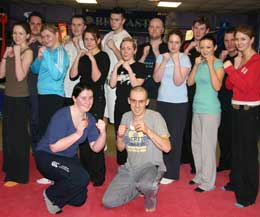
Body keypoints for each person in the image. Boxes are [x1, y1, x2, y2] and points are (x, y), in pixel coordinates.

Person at [35, 82, 106, 214]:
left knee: (80, 199)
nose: (88, 102)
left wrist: (103, 133)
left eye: (90, 98)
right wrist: (78, 133)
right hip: (47, 155)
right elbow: (55, 147)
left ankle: (59, 183)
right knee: (82, 177)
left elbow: (96, 148)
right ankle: (51, 195)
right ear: (74, 98)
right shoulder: (62, 115)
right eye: (83, 98)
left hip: (68, 157)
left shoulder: (89, 119)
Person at [102, 86, 171, 212]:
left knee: (147, 185)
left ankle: (149, 194)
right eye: (134, 101)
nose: (137, 106)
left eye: (141, 101)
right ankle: (138, 189)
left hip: (151, 166)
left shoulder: (155, 117)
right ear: (129, 100)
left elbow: (167, 148)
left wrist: (148, 131)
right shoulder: (126, 117)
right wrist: (120, 136)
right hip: (130, 168)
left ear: (147, 102)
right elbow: (120, 147)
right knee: (108, 202)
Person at [223, 25, 260, 208]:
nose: (238, 43)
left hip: (249, 113)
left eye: (243, 39)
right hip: (236, 110)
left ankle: (248, 195)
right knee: (236, 152)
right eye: (237, 39)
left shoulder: (256, 61)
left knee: (248, 155)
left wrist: (230, 68)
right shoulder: (240, 59)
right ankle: (236, 183)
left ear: (252, 40)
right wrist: (235, 67)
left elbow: (245, 87)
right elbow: (230, 86)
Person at [70, 25, 110, 186]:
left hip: (96, 100)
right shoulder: (82, 55)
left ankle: (98, 175)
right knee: (82, 137)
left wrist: (92, 58)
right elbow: (73, 76)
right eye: (86, 39)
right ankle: (85, 173)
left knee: (95, 136)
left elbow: (96, 79)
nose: (89, 42)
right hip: (81, 100)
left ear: (98, 40)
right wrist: (78, 56)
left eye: (92, 39)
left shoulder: (103, 56)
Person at [187, 34, 224, 192]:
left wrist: (210, 65)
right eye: (202, 47)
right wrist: (196, 65)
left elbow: (217, 87)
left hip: (211, 110)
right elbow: (189, 82)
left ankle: (209, 182)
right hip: (197, 108)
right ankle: (200, 175)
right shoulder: (199, 62)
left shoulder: (218, 63)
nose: (205, 50)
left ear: (215, 48)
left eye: (208, 47)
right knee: (196, 144)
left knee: (207, 147)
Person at [153, 29, 191, 184]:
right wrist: (163, 61)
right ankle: (161, 168)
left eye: (177, 42)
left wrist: (175, 61)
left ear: (181, 43)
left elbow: (178, 81)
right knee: (162, 135)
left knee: (174, 138)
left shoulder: (185, 59)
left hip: (178, 104)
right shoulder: (162, 57)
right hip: (162, 101)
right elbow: (156, 78)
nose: (173, 45)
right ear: (167, 42)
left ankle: (172, 173)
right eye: (171, 42)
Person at [0, 22, 33, 187]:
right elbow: (1, 74)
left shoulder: (27, 53)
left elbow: (20, 77)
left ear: (27, 35)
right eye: (14, 33)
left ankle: (19, 175)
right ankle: (9, 167)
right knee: (7, 136)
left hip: (21, 99)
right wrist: (6, 55)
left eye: (20, 33)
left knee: (19, 138)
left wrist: (18, 53)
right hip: (8, 97)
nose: (17, 36)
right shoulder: (12, 50)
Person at [110, 37, 146, 165]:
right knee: (119, 134)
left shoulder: (140, 67)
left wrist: (129, 70)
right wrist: (116, 67)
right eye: (123, 48)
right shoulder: (119, 66)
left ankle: (135, 163)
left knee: (134, 136)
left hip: (134, 108)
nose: (125, 51)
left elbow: (137, 86)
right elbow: (112, 84)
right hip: (119, 105)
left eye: (129, 48)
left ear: (134, 50)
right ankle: (122, 163)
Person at [181, 17, 210, 173]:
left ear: (207, 30)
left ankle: (196, 162)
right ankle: (185, 156)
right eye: (196, 28)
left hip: (203, 93)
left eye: (201, 28)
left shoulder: (209, 47)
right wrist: (187, 49)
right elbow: (179, 63)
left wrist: (203, 52)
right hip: (186, 91)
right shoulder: (187, 45)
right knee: (186, 126)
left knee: (198, 130)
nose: (198, 31)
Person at [31, 24, 69, 140]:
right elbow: (34, 70)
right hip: (42, 95)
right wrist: (39, 58)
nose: (45, 40)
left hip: (54, 96)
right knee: (43, 130)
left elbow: (57, 75)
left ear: (56, 35)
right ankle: (45, 156)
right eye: (43, 37)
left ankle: (53, 157)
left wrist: (46, 55)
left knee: (51, 131)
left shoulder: (61, 52)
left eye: (48, 36)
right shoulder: (46, 52)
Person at [102, 7, 131, 125]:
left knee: (115, 119)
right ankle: (103, 144)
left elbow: (126, 62)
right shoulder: (107, 36)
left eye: (117, 20)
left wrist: (114, 48)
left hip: (117, 83)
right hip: (105, 81)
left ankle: (117, 143)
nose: (113, 22)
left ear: (123, 21)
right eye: (111, 19)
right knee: (103, 114)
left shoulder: (126, 37)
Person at [136, 17, 168, 110]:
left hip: (161, 94)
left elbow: (169, 70)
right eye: (151, 27)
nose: (154, 29)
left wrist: (156, 51)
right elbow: (136, 69)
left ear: (162, 30)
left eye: (157, 27)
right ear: (148, 29)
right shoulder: (141, 48)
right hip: (142, 94)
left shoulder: (168, 48)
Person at [217, 28, 238, 172]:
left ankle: (234, 165)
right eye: (226, 40)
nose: (229, 44)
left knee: (234, 136)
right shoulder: (222, 58)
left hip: (235, 103)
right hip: (220, 103)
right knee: (222, 134)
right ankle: (224, 163)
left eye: (232, 40)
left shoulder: (240, 59)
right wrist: (221, 61)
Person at [27, 11, 44, 153]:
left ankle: (36, 147)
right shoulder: (21, 41)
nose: (35, 27)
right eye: (32, 23)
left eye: (38, 24)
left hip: (37, 87)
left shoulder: (46, 43)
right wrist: (25, 44)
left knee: (36, 118)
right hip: (21, 86)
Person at [64, 15, 86, 106]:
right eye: (73, 25)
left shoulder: (87, 44)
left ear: (84, 27)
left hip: (79, 89)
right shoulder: (66, 44)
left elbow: (84, 62)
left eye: (79, 25)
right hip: (64, 89)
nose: (76, 28)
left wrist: (77, 45)